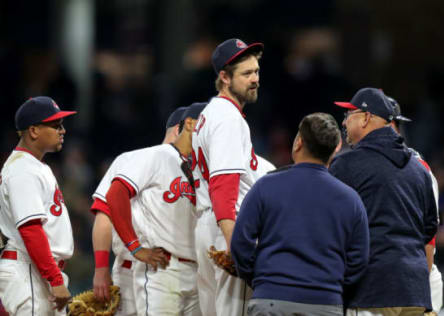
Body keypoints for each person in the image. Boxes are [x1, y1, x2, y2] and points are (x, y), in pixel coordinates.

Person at [231, 113, 370, 316]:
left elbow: (240, 243)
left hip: (271, 299)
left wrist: (262, 279)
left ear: (298, 143)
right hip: (325, 303)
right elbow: (359, 261)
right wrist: (333, 290)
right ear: (337, 148)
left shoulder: (265, 186)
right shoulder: (351, 199)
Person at [329, 87, 438, 316]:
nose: (345, 122)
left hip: (372, 291)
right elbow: (429, 231)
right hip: (415, 291)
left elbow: (328, 224)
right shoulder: (419, 169)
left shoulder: (346, 165)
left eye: (350, 115)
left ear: (367, 117)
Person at [105, 102, 207, 315]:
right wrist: (135, 247)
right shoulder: (155, 155)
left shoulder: (202, 169)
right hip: (163, 269)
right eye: (207, 125)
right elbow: (116, 194)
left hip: (197, 272)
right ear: (189, 124)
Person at [191, 37, 266, 316]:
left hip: (209, 226)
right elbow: (223, 189)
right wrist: (238, 248)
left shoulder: (211, 114)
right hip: (228, 226)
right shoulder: (228, 119)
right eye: (246, 74)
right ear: (224, 77)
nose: (255, 79)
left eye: (256, 71)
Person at [90, 106, 188, 315]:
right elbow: (104, 214)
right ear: (180, 128)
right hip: (133, 267)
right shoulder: (135, 158)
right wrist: (101, 267)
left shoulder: (195, 169)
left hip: (179, 269)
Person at [0, 96, 76, 315]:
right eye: (55, 125)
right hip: (28, 270)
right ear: (33, 131)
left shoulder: (34, 165)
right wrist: (54, 278)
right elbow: (30, 229)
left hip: (38, 270)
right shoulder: (23, 170)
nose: (62, 130)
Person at [389, 96, 443, 315]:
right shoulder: (362, 163)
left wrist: (421, 290)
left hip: (415, 278)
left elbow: (428, 235)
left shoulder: (417, 168)